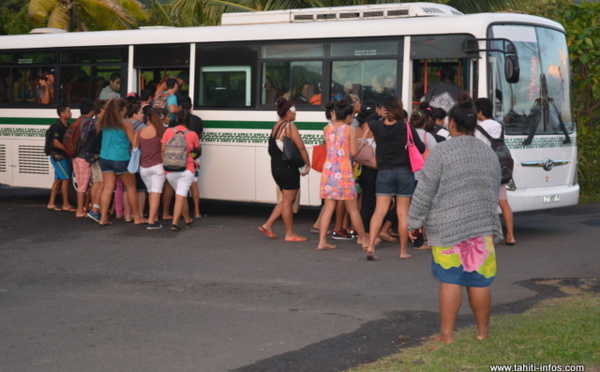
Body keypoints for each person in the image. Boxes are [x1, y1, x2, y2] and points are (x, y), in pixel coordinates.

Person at [408, 94, 502, 344]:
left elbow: (425, 190)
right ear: (473, 125)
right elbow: (494, 190)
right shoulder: (488, 153)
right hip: (481, 227)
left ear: (451, 125)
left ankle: (446, 335)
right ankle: (483, 333)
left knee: (450, 279)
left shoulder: (442, 152)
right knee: (479, 281)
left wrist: (414, 222)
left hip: (446, 226)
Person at [365, 95, 426, 260]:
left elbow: (367, 119)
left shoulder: (377, 126)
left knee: (379, 211)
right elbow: (420, 148)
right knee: (402, 213)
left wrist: (378, 115)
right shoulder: (406, 127)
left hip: (384, 172)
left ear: (384, 109)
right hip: (405, 172)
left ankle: (370, 246)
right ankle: (403, 251)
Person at [317, 100, 369, 252]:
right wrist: (362, 143)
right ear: (347, 116)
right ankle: (364, 240)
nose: (353, 118)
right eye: (352, 115)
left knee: (328, 208)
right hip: (344, 172)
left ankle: (322, 241)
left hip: (329, 172)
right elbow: (353, 152)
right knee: (352, 209)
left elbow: (333, 135)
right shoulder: (349, 130)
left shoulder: (327, 129)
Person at [258, 98, 310, 242]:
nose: (296, 114)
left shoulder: (276, 126)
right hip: (288, 168)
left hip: (276, 167)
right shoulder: (289, 126)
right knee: (288, 202)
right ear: (288, 112)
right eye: (295, 111)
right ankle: (290, 233)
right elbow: (301, 147)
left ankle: (268, 225)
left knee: (285, 199)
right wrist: (307, 163)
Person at [96, 98, 146, 226]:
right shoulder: (126, 123)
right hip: (121, 158)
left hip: (105, 157)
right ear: (123, 109)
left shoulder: (104, 122)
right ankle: (137, 217)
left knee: (108, 188)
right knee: (131, 188)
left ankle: (103, 218)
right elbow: (132, 142)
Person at [475, 97, 516, 245]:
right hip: (500, 167)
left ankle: (490, 239)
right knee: (503, 203)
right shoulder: (500, 126)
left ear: (479, 112)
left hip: (485, 169)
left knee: (487, 205)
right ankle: (510, 236)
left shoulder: (478, 128)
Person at [161, 112, 200, 231]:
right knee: (180, 196)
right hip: (186, 169)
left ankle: (187, 219)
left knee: (180, 194)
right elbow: (197, 149)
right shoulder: (192, 134)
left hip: (170, 170)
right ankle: (175, 223)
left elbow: (163, 150)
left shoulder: (168, 132)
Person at [137, 108, 167, 230]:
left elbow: (135, 148)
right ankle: (151, 221)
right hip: (158, 166)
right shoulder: (161, 132)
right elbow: (163, 150)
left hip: (143, 168)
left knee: (151, 193)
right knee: (156, 194)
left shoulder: (140, 131)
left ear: (147, 118)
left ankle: (153, 218)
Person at [177, 96, 204, 219]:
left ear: (180, 108)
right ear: (191, 106)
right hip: (193, 156)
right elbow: (199, 136)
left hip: (177, 157)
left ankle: (177, 212)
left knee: (178, 186)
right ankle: (197, 211)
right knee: (193, 183)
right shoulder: (198, 120)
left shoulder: (174, 121)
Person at [46, 104, 75, 212]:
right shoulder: (57, 126)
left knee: (58, 180)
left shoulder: (67, 125)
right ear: (62, 114)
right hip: (58, 157)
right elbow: (56, 143)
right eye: (68, 111)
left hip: (63, 156)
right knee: (66, 179)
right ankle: (66, 204)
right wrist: (68, 150)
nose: (70, 113)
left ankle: (51, 203)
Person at [71, 98, 95, 218]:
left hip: (76, 156)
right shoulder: (87, 123)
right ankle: (80, 210)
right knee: (84, 185)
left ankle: (81, 209)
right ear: (91, 110)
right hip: (84, 157)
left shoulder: (77, 121)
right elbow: (86, 140)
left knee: (81, 185)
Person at [85, 99, 106, 223]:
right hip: (99, 156)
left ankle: (94, 208)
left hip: (91, 156)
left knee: (96, 182)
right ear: (102, 110)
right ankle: (96, 210)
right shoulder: (102, 123)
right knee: (101, 184)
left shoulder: (92, 122)